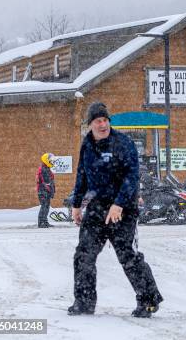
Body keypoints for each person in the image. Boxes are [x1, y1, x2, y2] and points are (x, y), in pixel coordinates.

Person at [68, 102, 163, 318]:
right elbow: (81, 175)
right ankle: (83, 302)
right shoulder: (87, 145)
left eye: (105, 120)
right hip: (97, 206)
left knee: (127, 255)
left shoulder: (123, 143)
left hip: (124, 207)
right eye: (98, 121)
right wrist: (76, 205)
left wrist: (118, 205)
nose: (102, 124)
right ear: (90, 124)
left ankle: (148, 301)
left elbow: (132, 176)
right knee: (84, 254)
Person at [36, 153, 56, 228]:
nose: (52, 162)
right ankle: (41, 222)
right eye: (51, 160)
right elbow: (47, 182)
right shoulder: (43, 169)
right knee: (44, 206)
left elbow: (50, 181)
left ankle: (45, 221)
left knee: (46, 206)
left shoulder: (46, 168)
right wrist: (50, 191)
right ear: (46, 160)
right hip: (43, 191)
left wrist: (51, 190)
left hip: (45, 191)